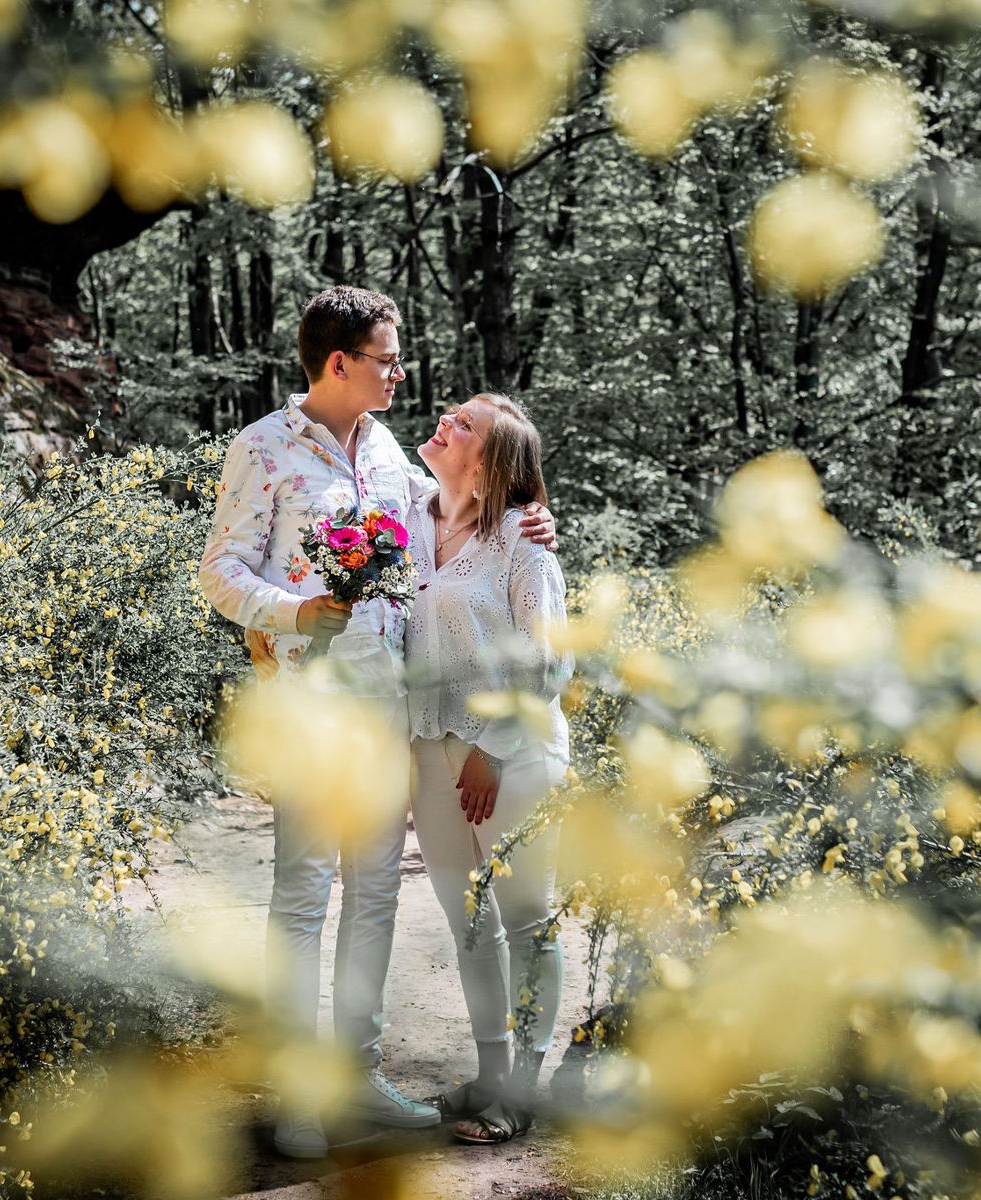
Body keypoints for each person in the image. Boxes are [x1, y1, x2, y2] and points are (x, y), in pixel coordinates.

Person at [197, 287, 555, 1159]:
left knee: (375, 897)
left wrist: (529, 515)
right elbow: (220, 571)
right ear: (339, 363)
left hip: (396, 711)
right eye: (389, 359)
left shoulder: (391, 451)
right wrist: (292, 610)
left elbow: (452, 530)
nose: (401, 371)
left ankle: (357, 1077)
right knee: (304, 897)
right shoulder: (265, 449)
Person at [405, 392, 572, 1146]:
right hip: (427, 752)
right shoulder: (406, 521)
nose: (445, 417)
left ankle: (521, 1093)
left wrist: (490, 749)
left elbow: (547, 661)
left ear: (488, 462)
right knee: (468, 924)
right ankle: (489, 1075)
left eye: (463, 422)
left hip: (511, 757)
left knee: (528, 921)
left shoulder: (522, 544)